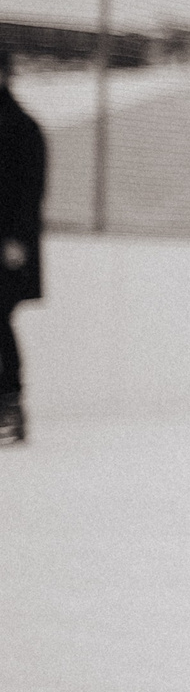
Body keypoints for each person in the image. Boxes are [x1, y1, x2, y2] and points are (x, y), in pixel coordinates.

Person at [0, 48, 45, 447]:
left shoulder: (21, 128)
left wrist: (16, 240)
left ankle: (10, 403)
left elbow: (29, 193)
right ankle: (9, 403)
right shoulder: (20, 124)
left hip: (8, 247)